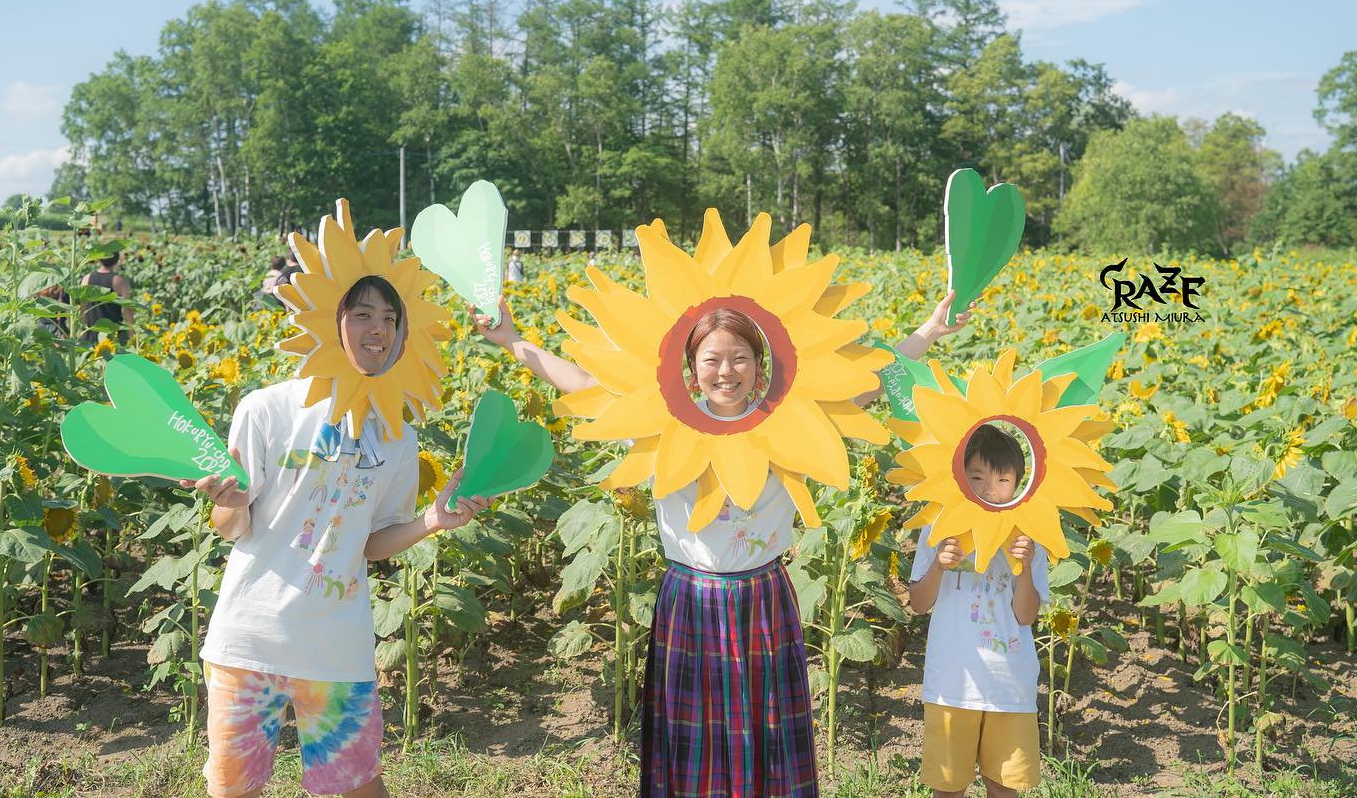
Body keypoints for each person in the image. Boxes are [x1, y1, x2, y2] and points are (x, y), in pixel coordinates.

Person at [475, 287, 972, 798]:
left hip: (762, 595)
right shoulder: (662, 422)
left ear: (761, 364)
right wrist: (512, 340)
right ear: (691, 368)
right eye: (711, 359)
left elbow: (869, 382)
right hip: (691, 596)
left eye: (740, 358)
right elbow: (584, 384)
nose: (726, 371)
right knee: (695, 735)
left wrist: (931, 330)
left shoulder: (789, 417)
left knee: (765, 727)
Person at [183, 274, 492, 798]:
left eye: (391, 319)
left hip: (337, 645)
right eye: (363, 314)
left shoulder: (396, 433)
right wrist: (227, 506)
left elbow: (371, 543)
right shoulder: (267, 409)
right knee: (234, 790)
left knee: (359, 787)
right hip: (250, 638)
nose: (380, 329)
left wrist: (432, 522)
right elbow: (233, 527)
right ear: (332, 322)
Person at [908, 424, 1049, 798]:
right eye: (977, 477)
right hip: (953, 685)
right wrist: (939, 565)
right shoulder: (939, 525)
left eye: (1002, 480)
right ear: (959, 476)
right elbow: (919, 603)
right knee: (948, 786)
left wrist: (1023, 567)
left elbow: (1026, 615)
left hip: (1009, 685)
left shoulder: (1028, 534)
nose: (990, 489)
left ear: (1020, 482)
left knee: (1005, 787)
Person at [80, 252, 133, 344]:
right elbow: (128, 310)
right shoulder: (120, 282)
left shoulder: (86, 279)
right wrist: (131, 335)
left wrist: (83, 329)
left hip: (92, 332)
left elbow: (83, 307)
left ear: (99, 259)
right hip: (113, 334)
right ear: (117, 261)